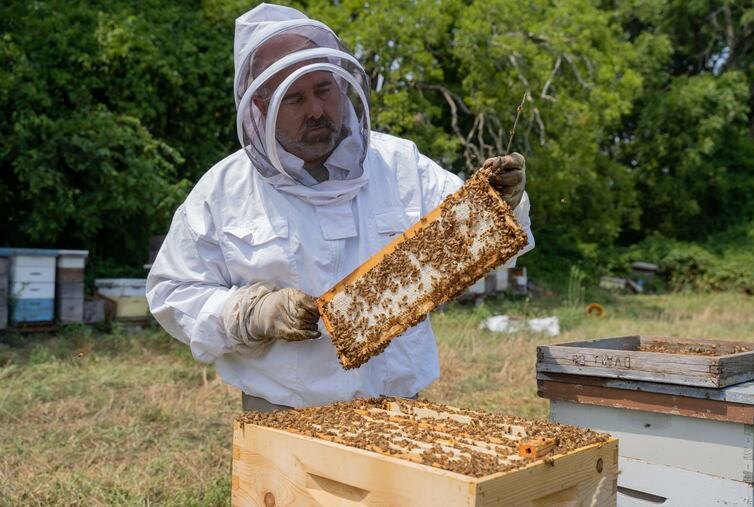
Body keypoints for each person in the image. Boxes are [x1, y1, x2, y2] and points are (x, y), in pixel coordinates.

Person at [146, 3, 534, 412]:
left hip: (400, 411)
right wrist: (250, 313)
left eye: (323, 90)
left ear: (342, 83)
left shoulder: (402, 165)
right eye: (294, 98)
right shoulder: (223, 190)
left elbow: (491, 252)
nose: (316, 110)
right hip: (282, 416)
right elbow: (173, 292)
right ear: (260, 103)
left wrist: (501, 207)